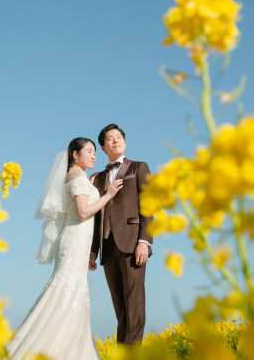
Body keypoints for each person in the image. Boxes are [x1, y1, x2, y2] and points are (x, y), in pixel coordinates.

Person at [7, 137, 123, 360]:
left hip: (76, 240)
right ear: (75, 154)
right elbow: (82, 212)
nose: (93, 155)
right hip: (74, 239)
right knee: (67, 287)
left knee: (72, 287)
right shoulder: (76, 176)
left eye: (94, 152)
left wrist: (89, 183)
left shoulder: (77, 177)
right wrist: (108, 195)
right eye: (88, 151)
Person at [89, 124, 153, 345]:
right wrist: (92, 251)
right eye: (110, 138)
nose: (116, 140)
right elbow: (96, 216)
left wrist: (144, 241)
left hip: (132, 244)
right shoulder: (97, 179)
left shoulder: (139, 167)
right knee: (120, 308)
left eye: (119, 137)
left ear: (124, 142)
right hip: (107, 247)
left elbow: (149, 206)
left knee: (134, 304)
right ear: (103, 147)